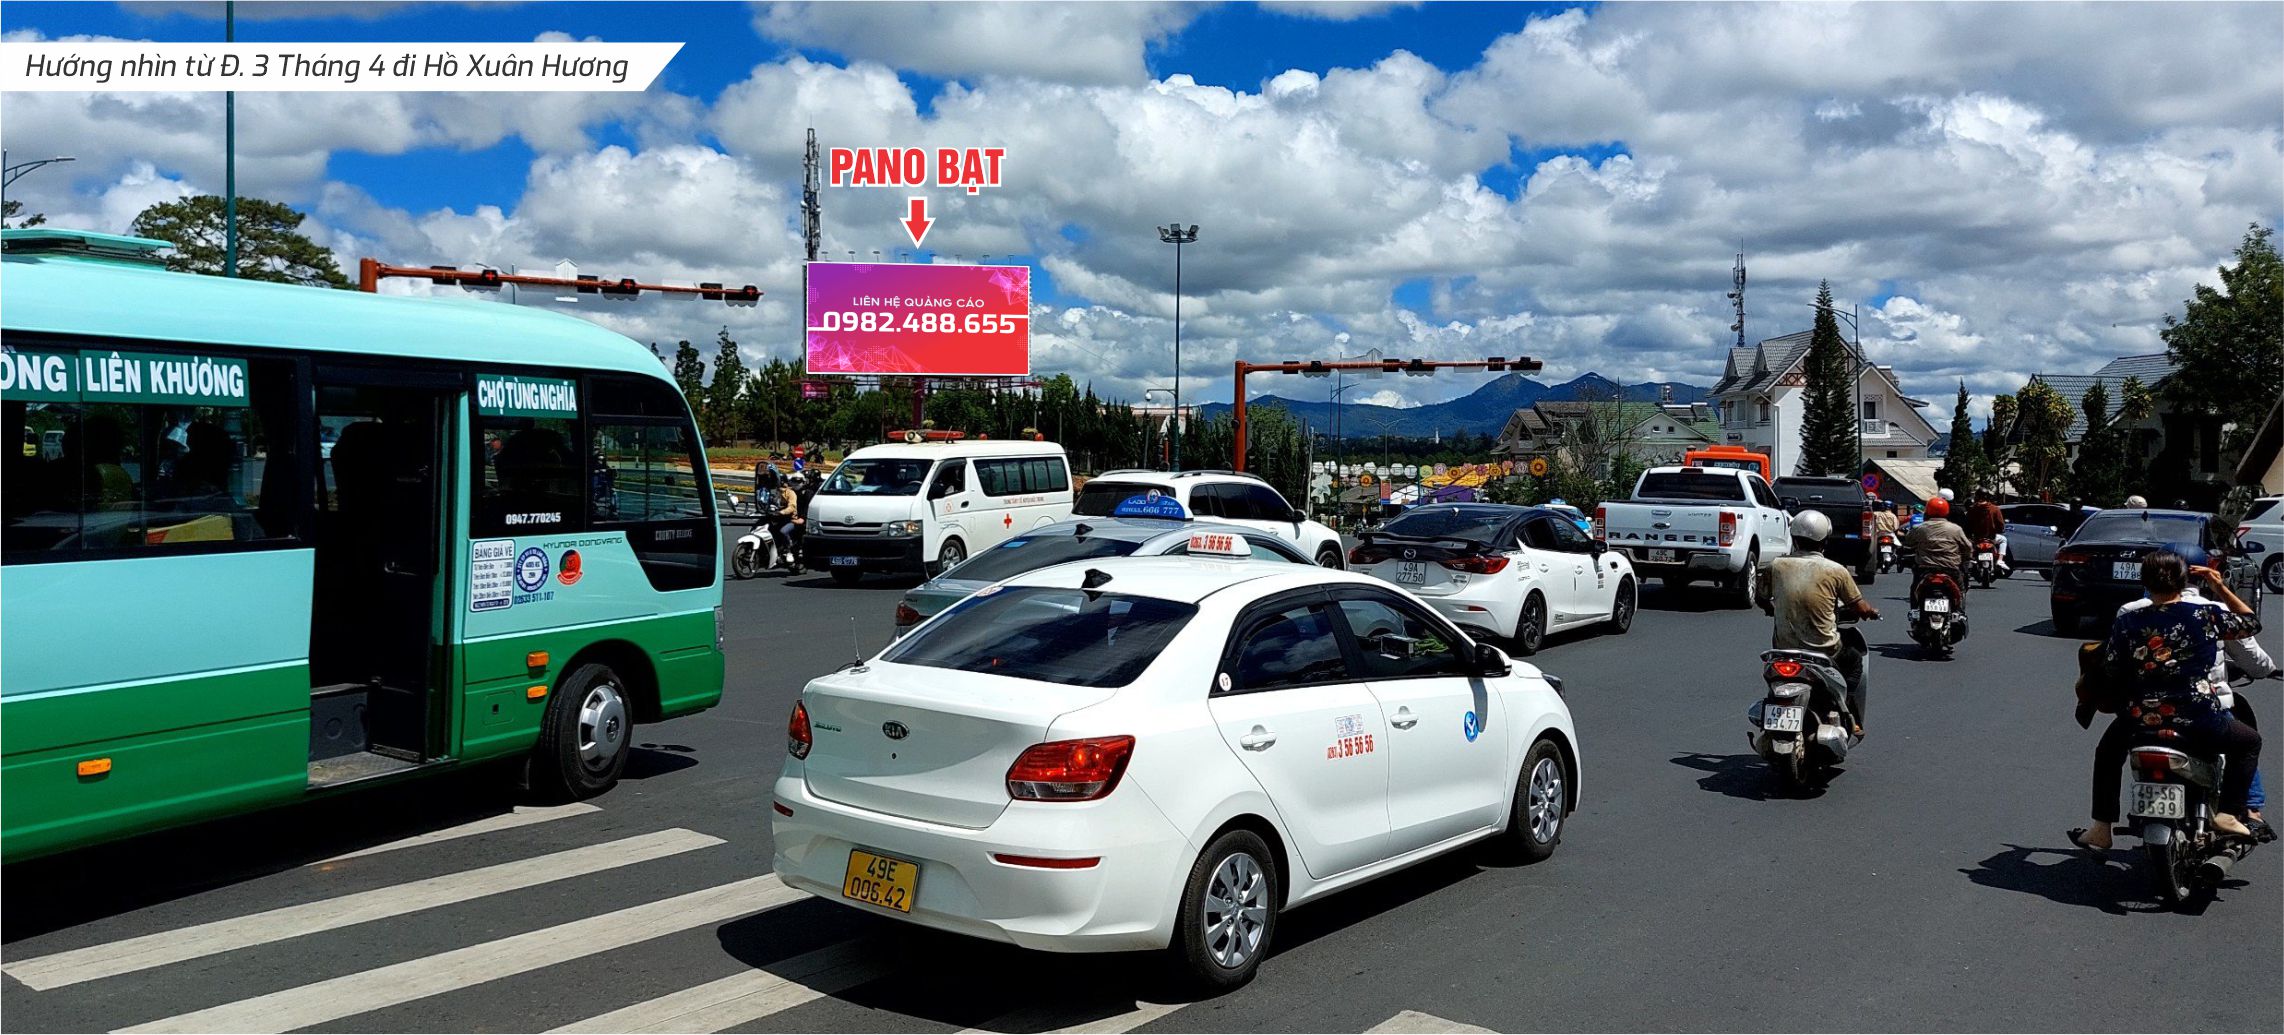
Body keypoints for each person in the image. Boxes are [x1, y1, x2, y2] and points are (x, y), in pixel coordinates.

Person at [2070, 551, 2264, 851]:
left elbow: (2111, 668)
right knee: (2249, 742)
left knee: (2107, 753)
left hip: (2140, 718)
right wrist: (2219, 587)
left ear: (2145, 583)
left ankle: (2101, 828)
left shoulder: (2128, 620)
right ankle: (2228, 813)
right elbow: (2250, 623)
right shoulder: (2204, 614)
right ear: (2184, 582)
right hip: (2198, 715)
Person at [1757, 510, 1880, 735]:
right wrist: (1871, 612)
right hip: (1825, 650)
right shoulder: (1836, 570)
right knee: (1854, 663)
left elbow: (1761, 597)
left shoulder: (1776, 566)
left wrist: (1770, 609)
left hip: (1784, 649)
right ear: (1825, 540)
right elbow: (1860, 608)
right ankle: (1848, 712)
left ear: (1794, 538)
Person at [1905, 496, 1974, 602]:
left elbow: (1908, 542)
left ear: (1927, 511)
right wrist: (1966, 557)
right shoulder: (1955, 529)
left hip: (1925, 568)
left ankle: (1914, 609)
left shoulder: (1920, 528)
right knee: (1961, 589)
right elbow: (1967, 547)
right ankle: (1959, 609)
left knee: (1914, 588)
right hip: (1950, 568)